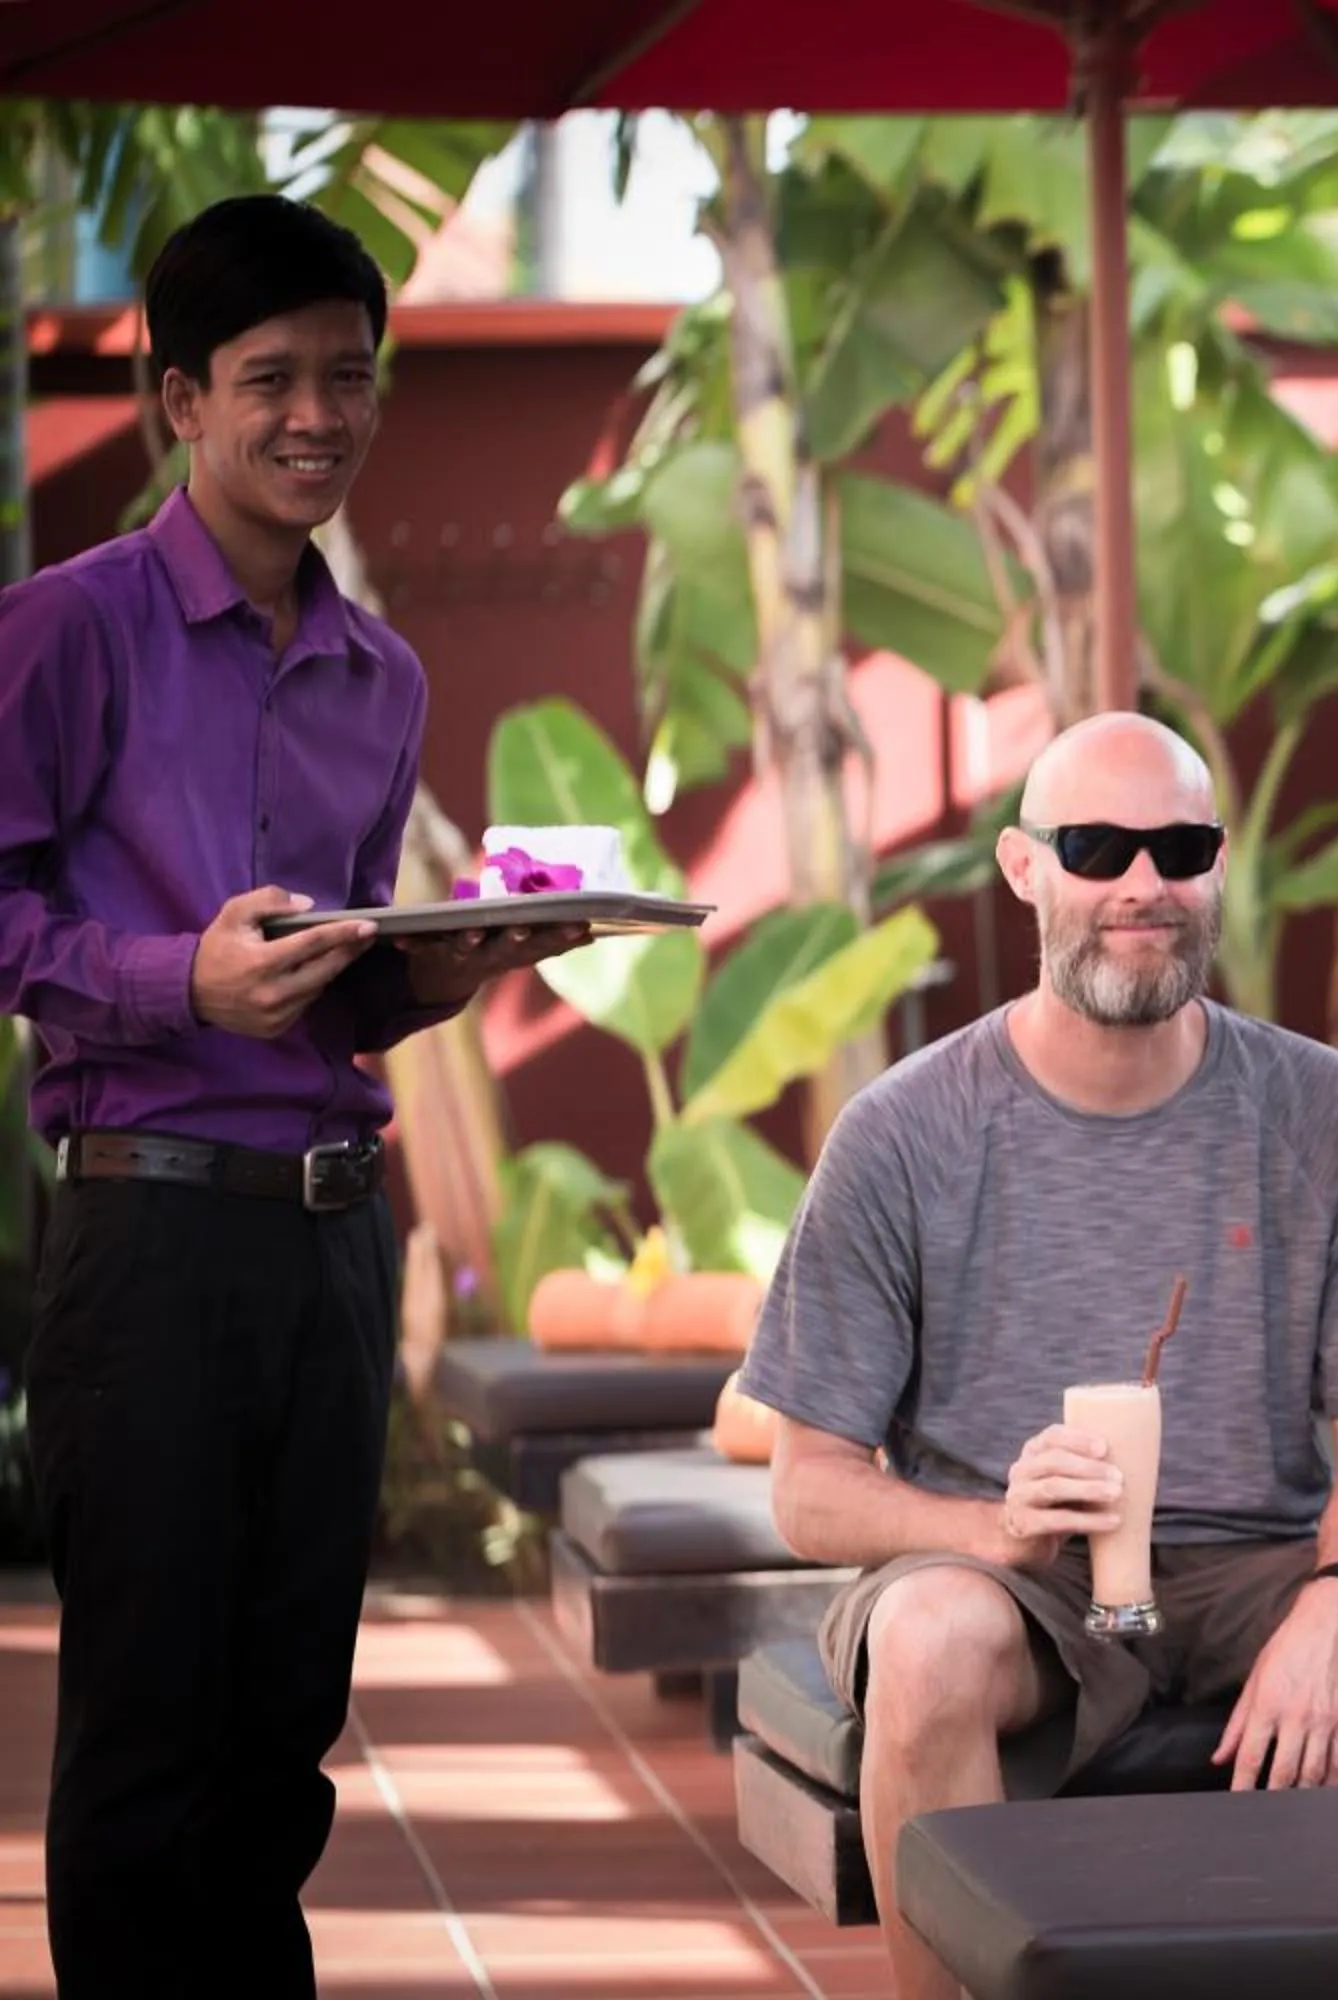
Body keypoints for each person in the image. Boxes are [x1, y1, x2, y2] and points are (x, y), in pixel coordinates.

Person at [738, 711, 1338, 2000]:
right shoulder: (904, 1131)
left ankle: (1265, 1946)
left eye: (1178, 849)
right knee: (924, 1642)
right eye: (1097, 847)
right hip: (1021, 1585)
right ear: (1025, 867)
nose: (1142, 883)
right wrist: (992, 1527)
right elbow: (807, 1485)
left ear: (1217, 864)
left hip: (1263, 1564)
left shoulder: (1319, 1106)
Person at [0, 195, 583, 1996]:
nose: (318, 415)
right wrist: (175, 977)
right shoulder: (65, 630)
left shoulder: (382, 676)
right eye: (271, 379)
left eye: (350, 375)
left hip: (334, 1249)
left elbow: (335, 996)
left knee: (280, 1752)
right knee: (147, 1752)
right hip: (149, 1241)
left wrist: (441, 974)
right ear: (182, 398)